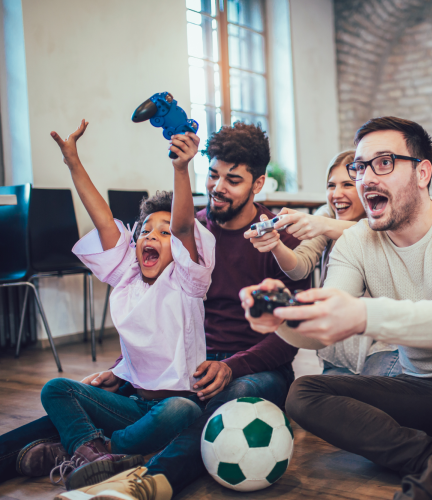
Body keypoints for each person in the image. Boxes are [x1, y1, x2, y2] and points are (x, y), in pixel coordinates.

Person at [241, 116, 432, 500]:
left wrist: (361, 315)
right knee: (304, 393)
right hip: (420, 390)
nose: (365, 178)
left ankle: (427, 489)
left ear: (422, 173)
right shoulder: (356, 241)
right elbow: (320, 329)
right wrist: (280, 319)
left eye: (383, 163)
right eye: (359, 167)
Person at [2, 122, 310, 500]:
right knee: (81, 400)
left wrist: (232, 366)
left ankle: (144, 480)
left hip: (253, 365)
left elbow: (291, 335)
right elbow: (155, 310)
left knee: (222, 400)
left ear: (258, 184)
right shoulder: (184, 233)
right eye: (213, 175)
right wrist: (122, 369)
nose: (218, 187)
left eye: (233, 179)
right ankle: (68, 452)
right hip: (186, 364)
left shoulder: (279, 240)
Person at [26, 120, 210, 489]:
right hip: (130, 404)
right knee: (56, 389)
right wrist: (72, 161)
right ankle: (91, 452)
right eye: (145, 231)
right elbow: (103, 218)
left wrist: (180, 168)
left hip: (172, 407)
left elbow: (185, 228)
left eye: (163, 232)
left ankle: (100, 447)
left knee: (183, 410)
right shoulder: (127, 273)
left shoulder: (187, 280)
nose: (151, 237)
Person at [245, 150, 400, 376]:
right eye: (331, 185)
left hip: (382, 347)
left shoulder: (384, 221)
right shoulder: (326, 217)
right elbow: (299, 268)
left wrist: (320, 225)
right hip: (339, 349)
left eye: (347, 184)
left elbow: (373, 232)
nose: (336, 194)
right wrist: (276, 244)